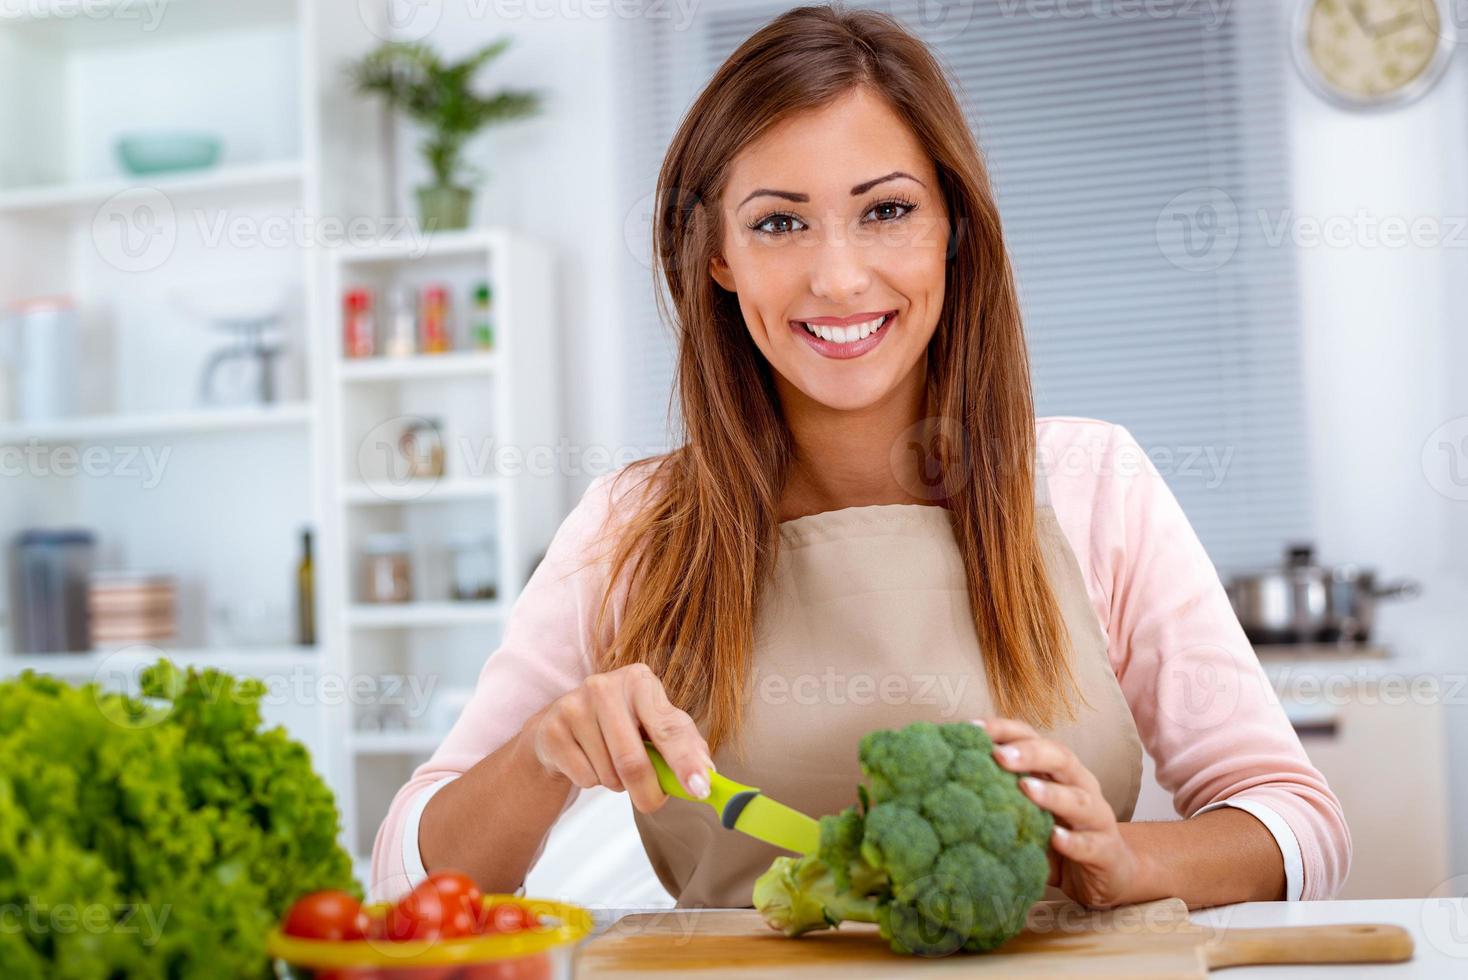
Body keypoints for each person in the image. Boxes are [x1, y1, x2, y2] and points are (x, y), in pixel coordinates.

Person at [373, 3, 1349, 911]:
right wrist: (544, 755)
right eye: (778, 222)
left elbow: (1296, 821)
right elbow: (406, 874)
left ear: (950, 232)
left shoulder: (1096, 482)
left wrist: (1129, 861)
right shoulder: (631, 525)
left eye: (885, 210)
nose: (838, 277)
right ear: (718, 255)